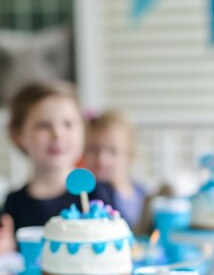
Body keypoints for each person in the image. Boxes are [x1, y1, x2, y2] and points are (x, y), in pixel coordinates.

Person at [0, 81, 116, 253]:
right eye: (44, 126)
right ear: (19, 135)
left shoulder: (96, 194)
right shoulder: (14, 203)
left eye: (68, 124)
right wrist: (6, 247)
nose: (58, 134)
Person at [84, 110, 147, 229]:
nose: (102, 159)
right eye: (94, 149)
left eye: (113, 151)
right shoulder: (86, 196)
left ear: (130, 154)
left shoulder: (143, 194)